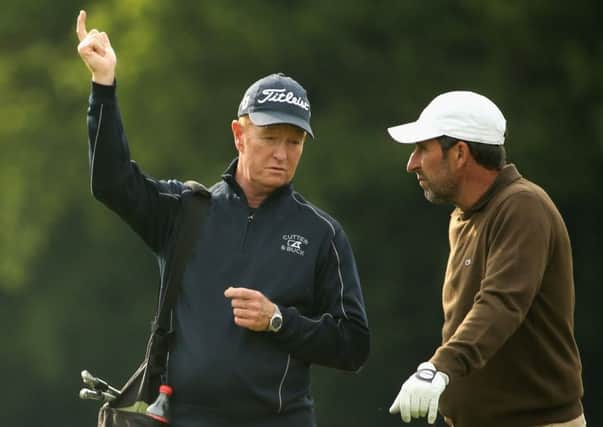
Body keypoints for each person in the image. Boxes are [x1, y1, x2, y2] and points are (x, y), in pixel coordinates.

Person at [75, 10, 369, 427]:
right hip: (186, 417)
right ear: (239, 135)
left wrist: (279, 321)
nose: (282, 154)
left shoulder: (321, 233)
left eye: (294, 141)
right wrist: (103, 86)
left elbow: (354, 345)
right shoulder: (185, 210)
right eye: (270, 139)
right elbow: (110, 182)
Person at [386, 91, 585, 427]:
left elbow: (502, 303)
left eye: (423, 149)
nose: (412, 163)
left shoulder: (523, 206)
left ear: (460, 153)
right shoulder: (463, 217)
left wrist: (439, 367)